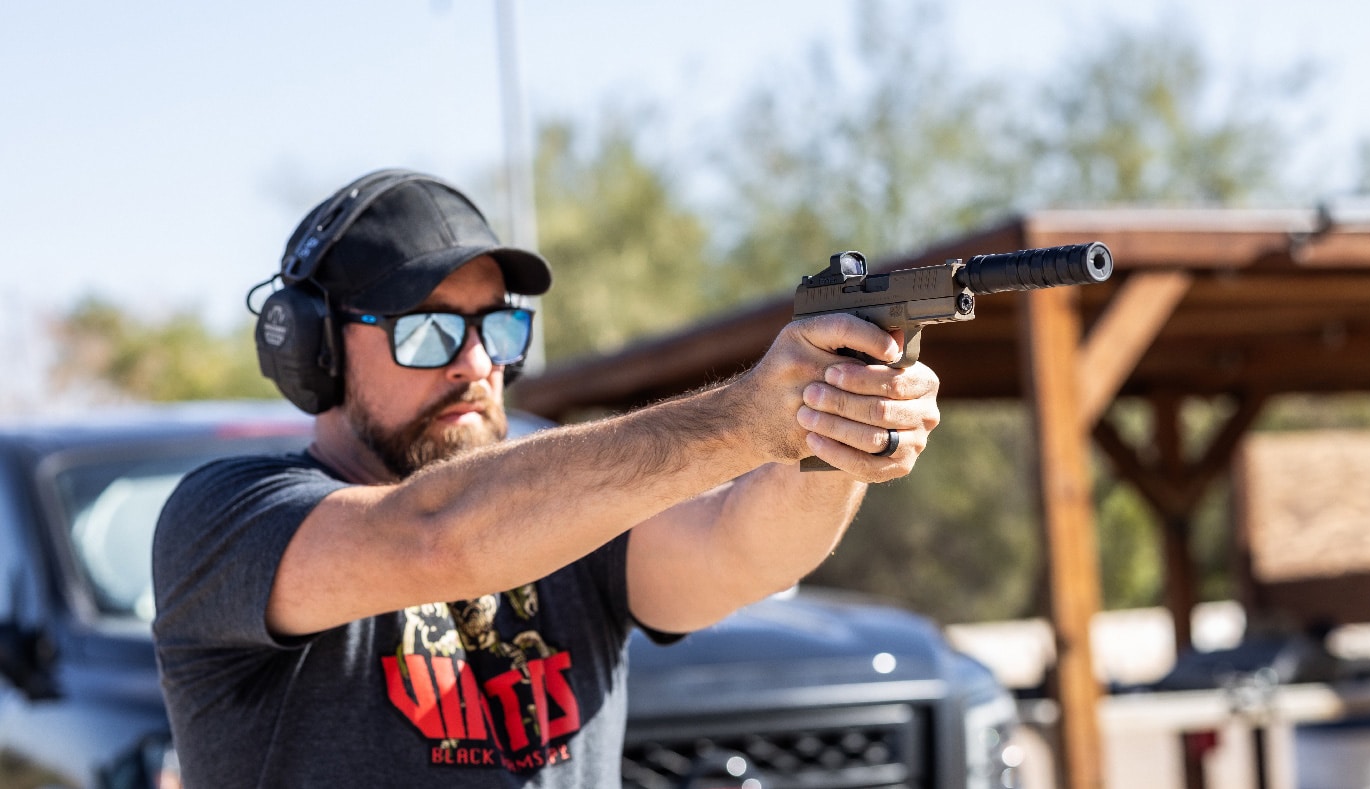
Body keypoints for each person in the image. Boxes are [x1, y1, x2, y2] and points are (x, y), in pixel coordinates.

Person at [152, 168, 941, 788]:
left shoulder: (572, 516)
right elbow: (437, 538)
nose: (475, 363)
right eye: (424, 330)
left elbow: (742, 548)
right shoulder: (228, 521)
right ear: (315, 350)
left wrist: (831, 423)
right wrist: (742, 417)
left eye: (498, 325)